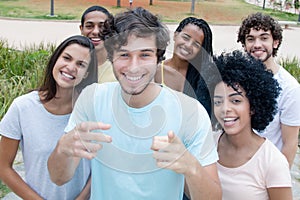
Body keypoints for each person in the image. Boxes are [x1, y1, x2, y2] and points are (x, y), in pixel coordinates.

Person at [48, 7, 221, 200]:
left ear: (159, 57)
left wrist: (190, 166)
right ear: (111, 56)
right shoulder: (92, 99)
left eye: (145, 54)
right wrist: (62, 149)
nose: (133, 67)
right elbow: (58, 177)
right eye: (124, 55)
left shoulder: (190, 112)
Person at [0, 35, 98, 199]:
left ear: (87, 73)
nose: (71, 67)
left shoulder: (93, 110)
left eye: (80, 64)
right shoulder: (22, 107)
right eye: (66, 58)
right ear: (55, 59)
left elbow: (100, 168)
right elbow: (3, 166)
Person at [209, 50, 292, 200]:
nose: (225, 109)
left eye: (236, 100)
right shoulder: (207, 145)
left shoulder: (273, 162)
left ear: (253, 106)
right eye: (218, 102)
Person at [237, 12, 300, 168]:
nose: (257, 44)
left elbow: (290, 144)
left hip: (266, 170)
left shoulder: (290, 88)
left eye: (264, 38)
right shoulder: (237, 79)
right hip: (235, 165)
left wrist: (279, 182)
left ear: (275, 42)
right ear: (244, 44)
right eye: (250, 39)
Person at [155, 17, 213, 116]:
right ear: (175, 35)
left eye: (196, 44)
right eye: (185, 38)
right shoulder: (156, 71)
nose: (188, 45)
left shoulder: (203, 78)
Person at [80, 5, 116, 83]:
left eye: (102, 26)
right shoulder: (73, 64)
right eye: (89, 26)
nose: (96, 32)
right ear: (81, 29)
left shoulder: (119, 67)